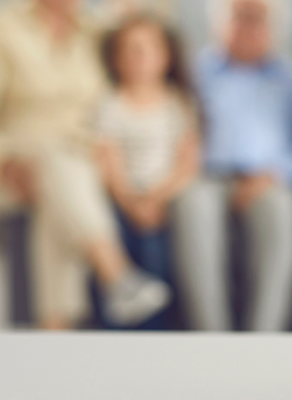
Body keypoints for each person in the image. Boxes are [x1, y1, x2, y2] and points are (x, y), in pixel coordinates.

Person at [0, 0, 170, 329]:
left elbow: (151, 34)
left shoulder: (95, 31)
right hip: (14, 158)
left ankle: (55, 330)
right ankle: (117, 274)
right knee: (54, 162)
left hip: (81, 160)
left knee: (59, 188)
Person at [172, 0, 292, 331]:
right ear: (218, 24)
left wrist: (275, 174)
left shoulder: (291, 78)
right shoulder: (193, 72)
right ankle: (212, 334)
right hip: (207, 176)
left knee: (282, 207)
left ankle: (265, 336)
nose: (248, 26)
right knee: (192, 204)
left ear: (274, 27)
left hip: (268, 178)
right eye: (238, 17)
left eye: (258, 18)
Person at [93, 14, 201, 329]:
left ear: (166, 56)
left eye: (147, 49)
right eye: (129, 50)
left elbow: (187, 163)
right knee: (117, 240)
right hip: (123, 200)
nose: (138, 58)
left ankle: (159, 330)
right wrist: (129, 200)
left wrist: (157, 198)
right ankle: (116, 327)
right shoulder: (111, 105)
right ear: (114, 60)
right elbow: (107, 159)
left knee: (160, 256)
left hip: (164, 200)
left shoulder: (177, 105)